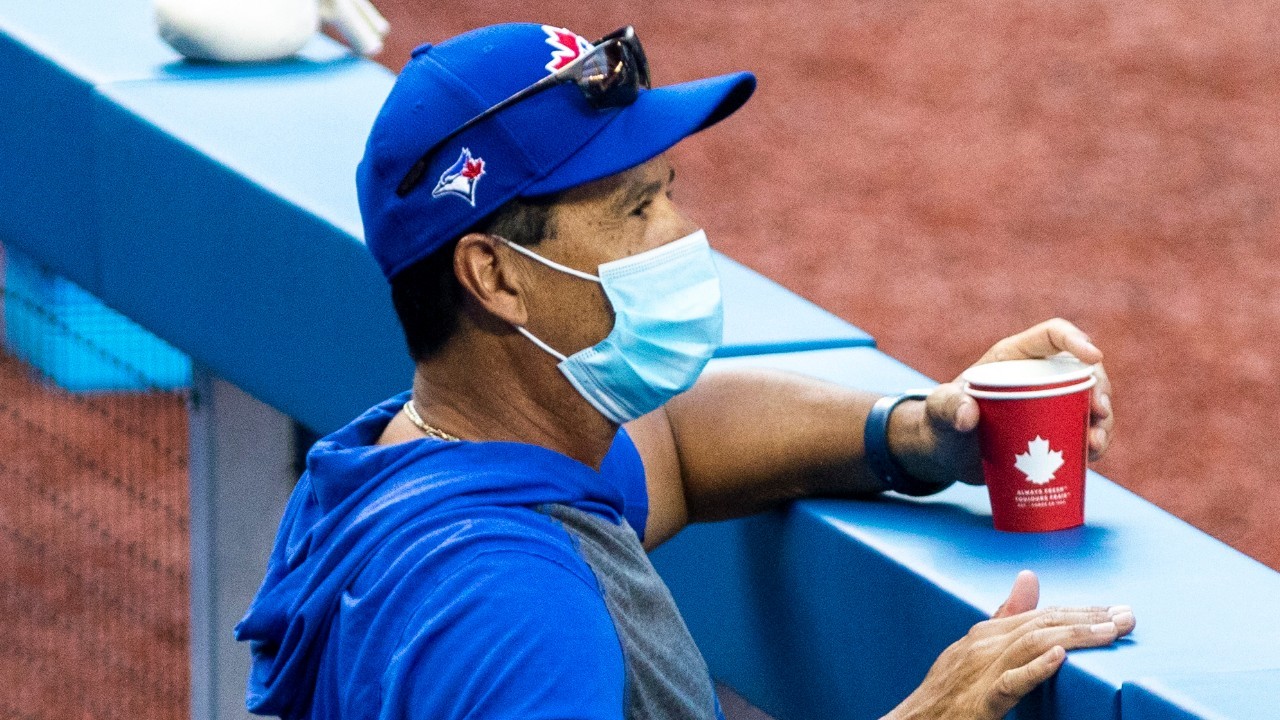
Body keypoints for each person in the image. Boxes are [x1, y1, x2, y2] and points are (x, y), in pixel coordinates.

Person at [235, 22, 1133, 720]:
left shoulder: (408, 472)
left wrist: (921, 435)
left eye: (668, 191)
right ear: (496, 277)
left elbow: (672, 446)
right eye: (634, 209)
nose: (678, 237)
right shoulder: (517, 613)